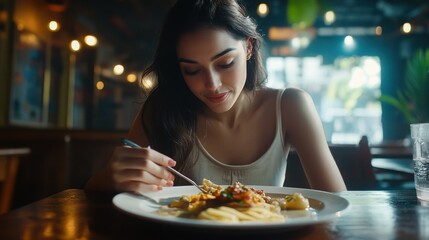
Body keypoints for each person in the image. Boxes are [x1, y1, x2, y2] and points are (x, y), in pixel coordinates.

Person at [85, 0, 347, 194]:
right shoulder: (162, 109)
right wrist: (112, 177)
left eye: (225, 63)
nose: (212, 85)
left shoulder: (290, 106)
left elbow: (338, 202)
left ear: (248, 47)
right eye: (192, 70)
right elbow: (92, 190)